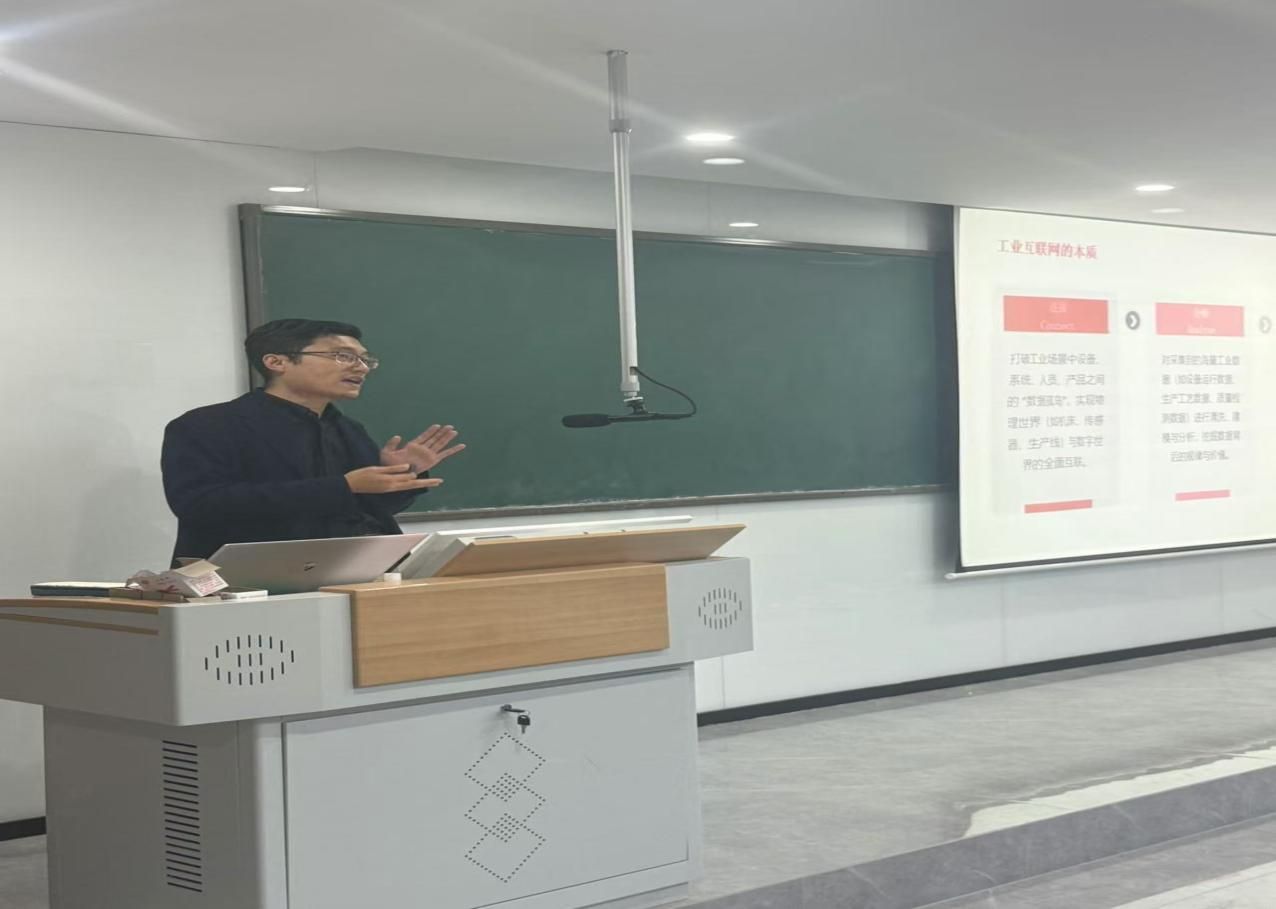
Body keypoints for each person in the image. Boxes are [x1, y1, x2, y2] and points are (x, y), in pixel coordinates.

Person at [162, 318, 464, 563]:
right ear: (277, 362)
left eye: (365, 359)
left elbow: (369, 509)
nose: (360, 367)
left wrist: (400, 475)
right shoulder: (207, 425)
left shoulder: (348, 429)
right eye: (343, 356)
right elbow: (200, 505)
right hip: (246, 580)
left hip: (356, 570)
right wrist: (343, 486)